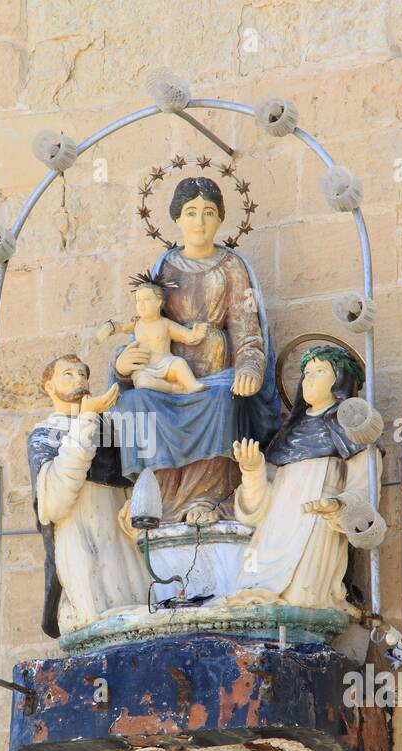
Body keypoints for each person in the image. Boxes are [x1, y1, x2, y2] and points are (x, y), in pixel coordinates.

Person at [109, 176, 279, 523]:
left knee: (221, 402)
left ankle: (208, 499)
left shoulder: (232, 267)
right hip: (163, 376)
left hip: (216, 379)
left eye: (208, 212)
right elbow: (141, 329)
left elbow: (247, 334)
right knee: (132, 403)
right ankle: (157, 499)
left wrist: (249, 369)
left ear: (220, 219)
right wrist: (123, 365)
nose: (199, 221)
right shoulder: (164, 268)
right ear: (176, 218)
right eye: (190, 212)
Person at [228, 345, 381, 614]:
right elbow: (257, 511)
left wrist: (336, 505)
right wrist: (253, 472)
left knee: (301, 599)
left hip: (316, 530)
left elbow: (364, 490)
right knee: (248, 599)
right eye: (306, 372)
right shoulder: (286, 437)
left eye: (319, 371)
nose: (308, 379)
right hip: (274, 535)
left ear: (340, 379)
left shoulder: (351, 434)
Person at [28, 354, 149, 637]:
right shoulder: (44, 436)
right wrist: (85, 422)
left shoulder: (110, 430)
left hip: (122, 541)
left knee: (138, 611)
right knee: (97, 622)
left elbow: (136, 482)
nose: (78, 380)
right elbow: (54, 503)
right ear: (49, 386)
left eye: (82, 374)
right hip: (82, 542)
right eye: (67, 374)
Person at [97, 271, 208, 394]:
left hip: (165, 363)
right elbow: (121, 327)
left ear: (159, 302)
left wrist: (196, 333)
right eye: (138, 300)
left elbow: (186, 336)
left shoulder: (165, 324)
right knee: (142, 383)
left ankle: (192, 385)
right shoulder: (137, 323)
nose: (141, 305)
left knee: (179, 363)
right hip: (144, 368)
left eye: (147, 299)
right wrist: (110, 327)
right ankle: (173, 388)